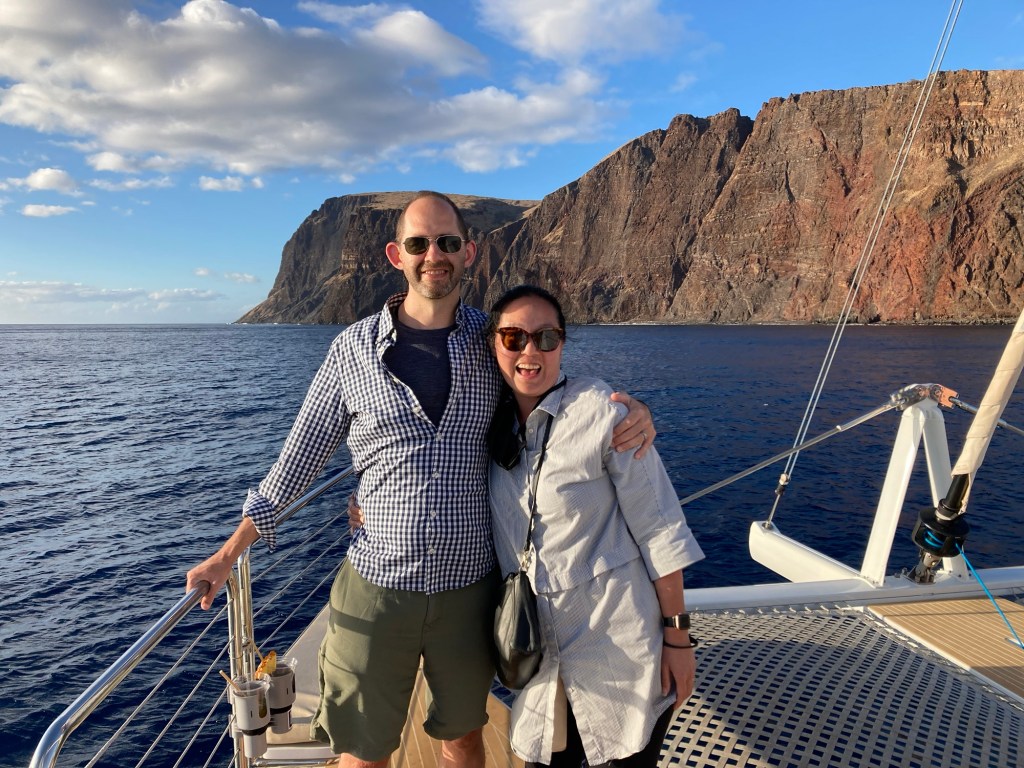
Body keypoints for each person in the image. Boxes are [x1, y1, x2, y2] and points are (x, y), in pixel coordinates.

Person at [184, 192, 656, 768]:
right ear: (396, 255)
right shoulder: (352, 350)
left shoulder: (494, 340)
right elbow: (298, 460)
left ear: (469, 253)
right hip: (377, 586)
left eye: (448, 243)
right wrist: (228, 554)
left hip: (470, 589)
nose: (435, 255)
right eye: (419, 243)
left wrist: (628, 410)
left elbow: (546, 384)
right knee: (363, 751)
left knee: (463, 739)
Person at [485, 285, 705, 768]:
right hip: (540, 655)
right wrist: (368, 505)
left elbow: (660, 530)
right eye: (513, 337)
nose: (530, 351)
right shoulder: (484, 424)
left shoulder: (604, 414)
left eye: (546, 338)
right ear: (494, 343)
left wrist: (678, 639)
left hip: (619, 648)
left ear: (562, 343)